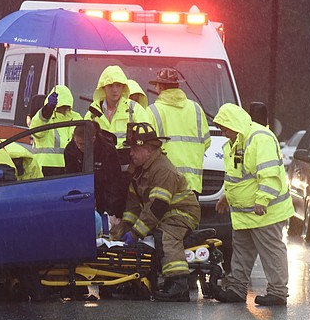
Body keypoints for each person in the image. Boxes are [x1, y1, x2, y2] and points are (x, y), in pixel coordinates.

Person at [207, 103, 294, 306]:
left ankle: (278, 292)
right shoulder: (236, 142)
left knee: (271, 251)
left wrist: (262, 200)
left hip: (266, 211)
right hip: (246, 212)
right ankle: (237, 289)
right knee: (242, 251)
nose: (224, 132)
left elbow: (269, 173)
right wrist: (227, 196)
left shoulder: (259, 138)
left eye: (225, 128)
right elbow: (238, 176)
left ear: (234, 124)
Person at [110, 122, 200, 302]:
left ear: (149, 150)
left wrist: (136, 232)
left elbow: (158, 205)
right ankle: (135, 282)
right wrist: (126, 228)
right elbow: (134, 204)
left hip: (181, 213)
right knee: (135, 241)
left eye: (135, 148)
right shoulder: (138, 169)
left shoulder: (163, 169)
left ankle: (178, 284)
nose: (131, 153)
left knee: (165, 236)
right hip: (162, 214)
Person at [145, 67, 211, 195]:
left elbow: (147, 149)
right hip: (191, 185)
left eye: (156, 85)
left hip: (163, 182)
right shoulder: (196, 109)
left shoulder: (152, 111)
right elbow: (207, 142)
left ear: (160, 87)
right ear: (177, 86)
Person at [85, 65, 152, 166]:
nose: (115, 89)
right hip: (101, 168)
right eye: (111, 85)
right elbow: (84, 140)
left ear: (123, 87)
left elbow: (147, 140)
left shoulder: (135, 109)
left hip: (128, 168)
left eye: (118, 85)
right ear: (103, 87)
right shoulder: (92, 112)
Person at [64, 120, 125, 226]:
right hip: (83, 194)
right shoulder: (70, 149)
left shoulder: (107, 150)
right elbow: (71, 180)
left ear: (93, 139)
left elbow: (114, 183)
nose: (79, 147)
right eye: (77, 143)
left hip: (104, 192)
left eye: (83, 144)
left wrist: (110, 212)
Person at [29, 85, 81, 176]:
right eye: (61, 107)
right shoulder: (45, 118)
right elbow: (36, 130)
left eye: (66, 107)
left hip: (71, 170)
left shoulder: (76, 117)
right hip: (45, 171)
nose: (63, 110)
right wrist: (47, 110)